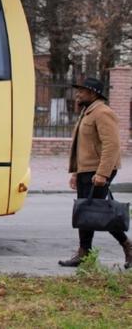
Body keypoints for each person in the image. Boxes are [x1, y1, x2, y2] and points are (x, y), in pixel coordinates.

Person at [58, 77, 131, 269]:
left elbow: (112, 145)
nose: (78, 94)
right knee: (86, 211)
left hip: (98, 171)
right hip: (86, 170)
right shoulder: (88, 112)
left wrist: (102, 174)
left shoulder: (103, 112)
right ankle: (84, 252)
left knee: (98, 212)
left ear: (93, 93)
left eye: (81, 91)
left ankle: (126, 245)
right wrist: (75, 172)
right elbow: (82, 147)